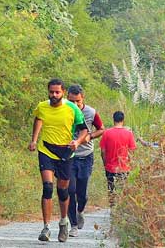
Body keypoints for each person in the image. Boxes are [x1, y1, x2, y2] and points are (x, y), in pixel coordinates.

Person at [28, 78, 89, 243]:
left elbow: (84, 130)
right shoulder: (42, 106)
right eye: (51, 92)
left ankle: (63, 222)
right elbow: (38, 119)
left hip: (66, 153)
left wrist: (77, 142)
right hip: (46, 149)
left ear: (63, 93)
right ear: (48, 92)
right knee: (47, 187)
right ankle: (46, 227)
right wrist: (34, 140)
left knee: (63, 191)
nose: (54, 95)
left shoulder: (72, 109)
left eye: (57, 92)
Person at [65, 84, 105, 238]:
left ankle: (80, 210)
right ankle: (73, 225)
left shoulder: (91, 112)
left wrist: (90, 136)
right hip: (69, 157)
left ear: (83, 99)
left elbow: (102, 129)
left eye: (77, 102)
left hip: (86, 156)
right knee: (70, 191)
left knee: (82, 193)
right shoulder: (63, 110)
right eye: (71, 101)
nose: (74, 105)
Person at [99, 111, 137, 207]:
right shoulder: (128, 134)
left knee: (111, 188)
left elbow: (103, 151)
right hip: (124, 167)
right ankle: (121, 207)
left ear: (113, 119)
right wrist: (130, 164)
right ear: (123, 120)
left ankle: (112, 206)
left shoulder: (107, 133)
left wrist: (105, 163)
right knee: (122, 189)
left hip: (110, 167)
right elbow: (132, 151)